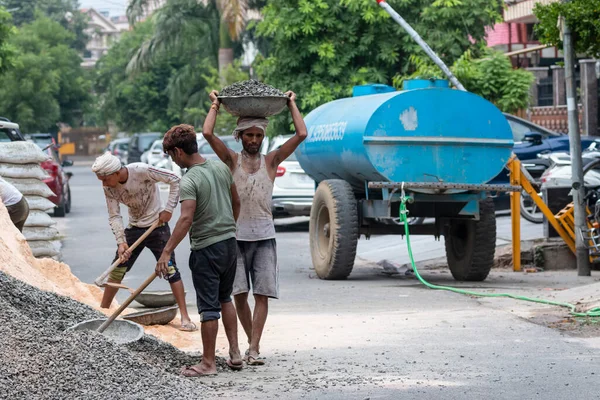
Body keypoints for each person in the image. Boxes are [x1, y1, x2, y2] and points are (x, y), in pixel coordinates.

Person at [202, 89, 308, 365]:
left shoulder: (270, 161)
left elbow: (301, 135)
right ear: (240, 136)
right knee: (238, 294)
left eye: (258, 135)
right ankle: (248, 345)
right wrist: (215, 105)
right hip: (234, 238)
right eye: (249, 135)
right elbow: (208, 135)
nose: (254, 140)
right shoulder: (231, 160)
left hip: (264, 237)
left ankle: (254, 348)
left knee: (262, 294)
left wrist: (291, 104)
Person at [157, 124, 243, 376]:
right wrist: (227, 228)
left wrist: (166, 252)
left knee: (208, 307)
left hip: (207, 249)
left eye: (170, 155)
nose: (172, 160)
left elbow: (185, 219)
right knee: (225, 298)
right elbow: (236, 202)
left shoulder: (190, 179)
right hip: (229, 243)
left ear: (177, 152)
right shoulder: (220, 167)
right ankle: (236, 354)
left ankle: (208, 363)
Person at [91, 151, 195, 331]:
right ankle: (103, 313)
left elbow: (175, 179)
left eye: (105, 179)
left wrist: (169, 210)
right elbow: (114, 215)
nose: (103, 184)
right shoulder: (109, 187)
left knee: (170, 268)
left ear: (116, 173)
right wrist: (121, 242)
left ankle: (185, 318)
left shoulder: (141, 170)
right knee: (117, 268)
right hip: (134, 228)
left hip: (158, 226)